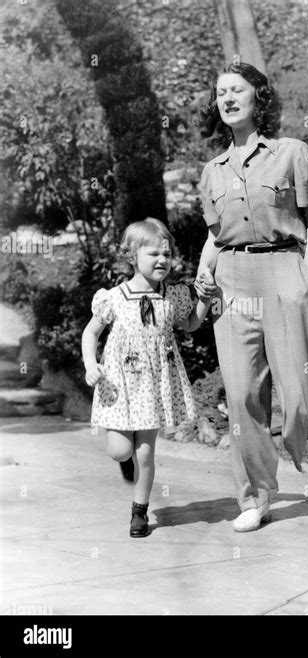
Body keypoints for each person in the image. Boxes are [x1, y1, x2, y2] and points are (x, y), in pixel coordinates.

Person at [194, 62, 308, 533]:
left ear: (258, 97)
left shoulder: (291, 152)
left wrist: (305, 273)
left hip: (283, 267)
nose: (227, 98)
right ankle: (255, 498)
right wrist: (203, 271)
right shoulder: (211, 171)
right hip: (230, 280)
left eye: (236, 89)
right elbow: (213, 234)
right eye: (220, 92)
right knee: (242, 394)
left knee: (298, 389)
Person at [82, 218, 212, 538]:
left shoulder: (173, 296)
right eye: (153, 254)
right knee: (120, 451)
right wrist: (89, 364)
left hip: (154, 386)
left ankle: (139, 512)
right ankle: (123, 460)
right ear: (132, 257)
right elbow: (90, 333)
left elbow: (192, 325)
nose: (162, 260)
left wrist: (207, 300)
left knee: (146, 453)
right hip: (119, 385)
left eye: (167, 254)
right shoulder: (114, 298)